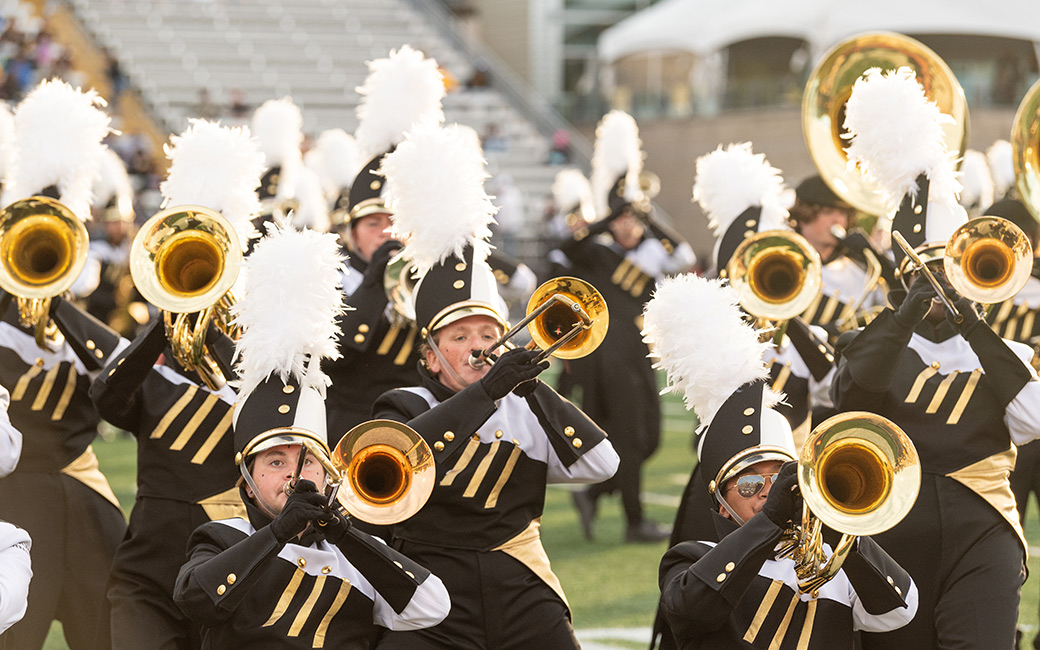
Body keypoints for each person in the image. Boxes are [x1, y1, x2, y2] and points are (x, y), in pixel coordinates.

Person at [370, 121, 620, 649]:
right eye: (460, 336)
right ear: (431, 357)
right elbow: (406, 457)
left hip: (521, 580)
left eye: (488, 332)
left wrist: (531, 388)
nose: (479, 345)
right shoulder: (404, 405)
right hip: (431, 590)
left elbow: (602, 465)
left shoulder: (523, 408)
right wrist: (485, 394)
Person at [174, 214, 450, 649]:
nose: (294, 474)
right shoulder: (224, 537)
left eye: (308, 462)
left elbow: (433, 606)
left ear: (329, 475)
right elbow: (195, 600)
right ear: (246, 485)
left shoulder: (353, 550)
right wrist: (279, 532)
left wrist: (342, 532)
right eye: (275, 461)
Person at [834, 67, 1040, 649]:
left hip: (985, 531)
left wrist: (970, 322)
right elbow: (851, 401)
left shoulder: (1008, 351)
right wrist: (904, 317)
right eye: (918, 275)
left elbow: (1034, 419)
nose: (934, 289)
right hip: (890, 532)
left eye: (942, 272)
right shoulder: (874, 342)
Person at [89, 119, 265, 650]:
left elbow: (278, 419)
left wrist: (221, 334)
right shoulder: (155, 379)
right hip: (145, 575)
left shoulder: (259, 373)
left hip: (228, 575)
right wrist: (164, 319)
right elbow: (107, 399)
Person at [0, 79, 128, 650]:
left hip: (83, 488)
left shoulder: (80, 319)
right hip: (12, 496)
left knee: (110, 629)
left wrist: (58, 303)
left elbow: (127, 394)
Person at [562, 110, 694, 543]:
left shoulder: (655, 252)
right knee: (630, 434)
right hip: (609, 353)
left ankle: (596, 494)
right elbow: (567, 247)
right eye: (621, 219)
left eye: (632, 218)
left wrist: (648, 216)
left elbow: (686, 256)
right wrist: (605, 217)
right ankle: (634, 521)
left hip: (639, 350)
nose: (627, 225)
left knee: (649, 435)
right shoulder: (599, 253)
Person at [789, 175, 890, 343]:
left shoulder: (861, 269)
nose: (837, 220)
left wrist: (875, 256)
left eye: (843, 213)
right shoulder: (782, 259)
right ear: (803, 217)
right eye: (827, 212)